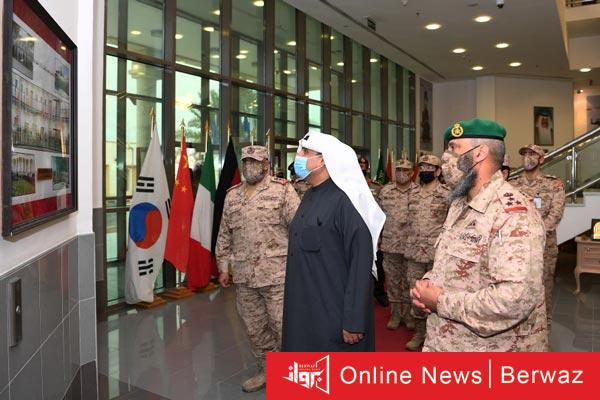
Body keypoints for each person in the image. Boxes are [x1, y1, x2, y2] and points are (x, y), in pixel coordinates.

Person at [411, 119, 548, 352]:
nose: (445, 157)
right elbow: (451, 263)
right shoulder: (459, 203)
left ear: (479, 153)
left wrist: (440, 301)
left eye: (453, 148)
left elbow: (514, 300)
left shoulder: (513, 214)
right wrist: (427, 286)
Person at [282, 132, 386, 352]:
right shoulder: (309, 195)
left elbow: (360, 265)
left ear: (322, 160)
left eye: (305, 152)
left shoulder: (347, 202)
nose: (298, 156)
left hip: (334, 314)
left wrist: (354, 320)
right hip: (305, 307)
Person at [216, 145, 300, 392]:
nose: (249, 166)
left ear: (266, 164)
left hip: (278, 276)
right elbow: (224, 233)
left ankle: (292, 374)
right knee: (255, 329)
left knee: (282, 327)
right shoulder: (233, 195)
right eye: (246, 162)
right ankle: (267, 370)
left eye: (254, 161)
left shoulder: (283, 190)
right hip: (244, 277)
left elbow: (299, 229)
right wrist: (223, 266)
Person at [511, 144, 565, 335]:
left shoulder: (553, 185)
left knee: (544, 287)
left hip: (543, 249)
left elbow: (555, 215)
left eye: (532, 154)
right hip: (516, 248)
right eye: (525, 154)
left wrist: (533, 233)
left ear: (541, 159)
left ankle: (543, 330)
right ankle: (518, 326)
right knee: (517, 286)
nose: (527, 157)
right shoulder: (513, 184)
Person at [404, 154, 450, 350]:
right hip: (414, 251)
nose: (425, 171)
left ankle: (434, 333)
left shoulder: (447, 194)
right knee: (415, 292)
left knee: (435, 293)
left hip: (436, 254)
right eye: (422, 167)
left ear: (438, 171)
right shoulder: (412, 193)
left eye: (430, 168)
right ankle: (419, 332)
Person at [377, 159, 418, 330]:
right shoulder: (385, 191)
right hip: (390, 244)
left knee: (409, 282)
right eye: (399, 170)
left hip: (411, 246)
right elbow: (377, 217)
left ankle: (408, 315)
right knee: (393, 281)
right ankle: (395, 315)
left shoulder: (418, 192)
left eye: (405, 170)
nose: (402, 173)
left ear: (412, 173)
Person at [358, 155, 389, 307]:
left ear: (368, 167)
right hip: (355, 230)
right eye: (359, 163)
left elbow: (382, 211)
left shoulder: (377, 187)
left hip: (373, 232)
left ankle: (379, 292)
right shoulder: (347, 185)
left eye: (364, 164)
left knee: (378, 264)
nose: (362, 166)